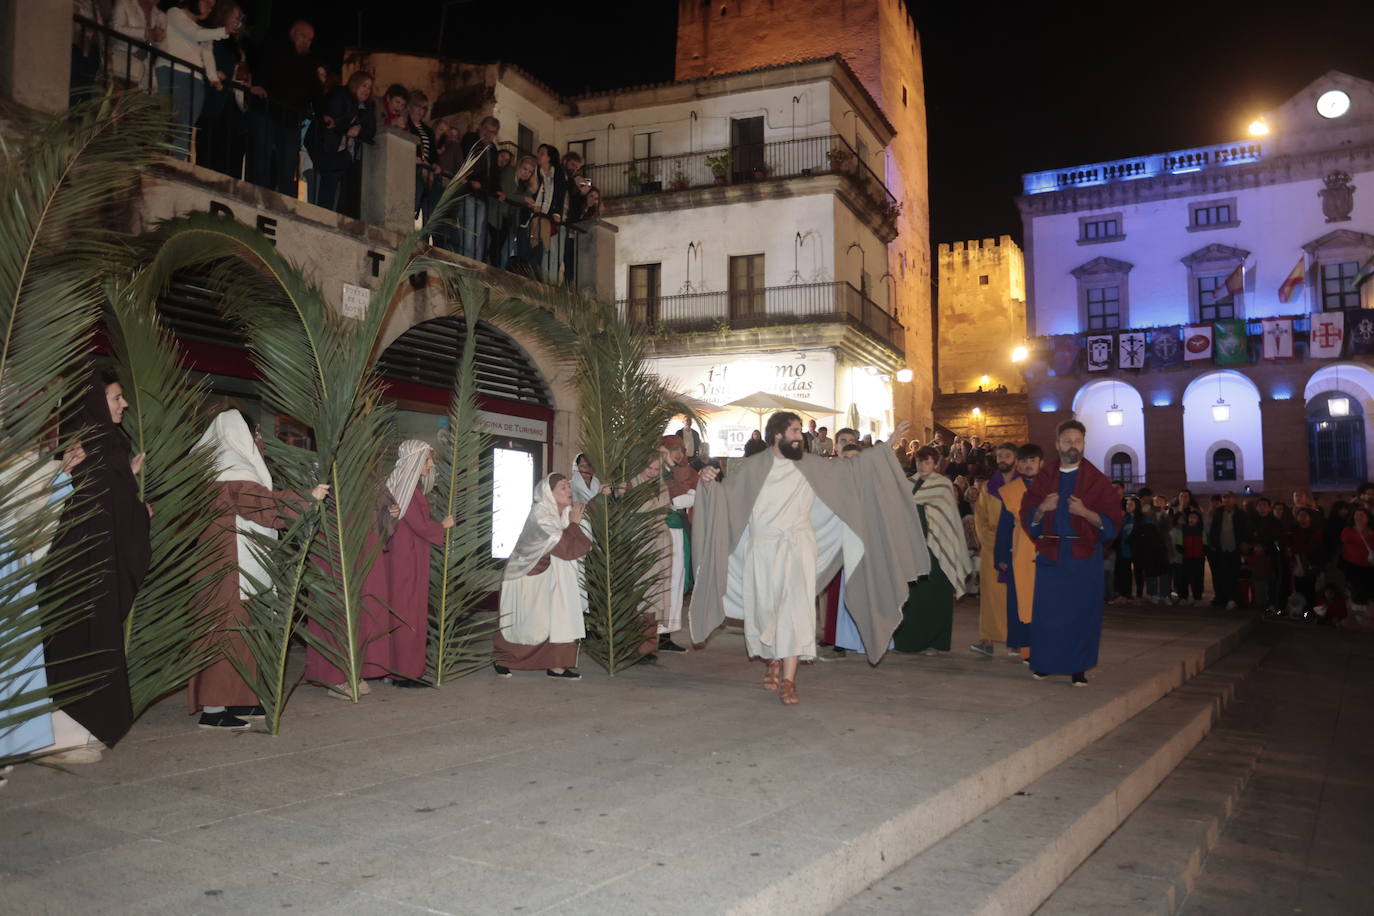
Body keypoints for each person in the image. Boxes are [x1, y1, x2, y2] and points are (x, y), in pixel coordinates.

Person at [693, 413, 929, 705]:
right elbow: (724, 499)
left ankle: (789, 680)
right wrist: (707, 483)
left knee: (796, 610)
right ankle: (773, 662)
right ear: (777, 435)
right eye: (794, 431)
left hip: (799, 548)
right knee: (765, 611)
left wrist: (886, 446)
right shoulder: (752, 467)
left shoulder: (812, 464)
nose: (799, 436)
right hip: (762, 551)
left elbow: (854, 468)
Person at [186, 410, 328, 728]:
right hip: (229, 567)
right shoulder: (229, 470)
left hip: (229, 564)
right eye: (256, 434)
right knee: (227, 634)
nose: (259, 442)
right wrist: (306, 498)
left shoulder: (216, 468)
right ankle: (214, 709)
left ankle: (241, 699)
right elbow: (259, 505)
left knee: (244, 633)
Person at [41, 369, 152, 754]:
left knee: (87, 644)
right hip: (85, 573)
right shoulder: (97, 447)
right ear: (95, 403)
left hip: (88, 571)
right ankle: (71, 733)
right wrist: (141, 514)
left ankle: (79, 731)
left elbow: (106, 501)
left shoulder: (103, 444)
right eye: (115, 398)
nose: (123, 404)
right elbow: (102, 509)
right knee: (86, 644)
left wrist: (128, 479)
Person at [0, 443, 93, 766]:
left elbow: (26, 515)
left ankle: (21, 738)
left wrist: (61, 474)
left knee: (17, 659)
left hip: (11, 567)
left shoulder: (12, 455)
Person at [1018, 420, 1122, 686]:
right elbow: (1027, 513)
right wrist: (1042, 507)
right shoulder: (1045, 478)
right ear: (1057, 444)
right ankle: (1044, 664)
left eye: (1077, 441)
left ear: (1084, 444)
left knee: (1081, 614)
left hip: (1083, 557)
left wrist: (1085, 513)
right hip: (1052, 555)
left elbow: (1112, 522)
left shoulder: (1097, 480)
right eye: (1067, 441)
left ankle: (1078, 668)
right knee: (1047, 614)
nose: (1072, 446)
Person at [494, 474, 590, 678]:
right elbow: (565, 548)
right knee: (524, 622)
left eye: (569, 487)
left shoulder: (562, 514)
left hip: (551, 573)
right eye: (563, 488)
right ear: (549, 493)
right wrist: (573, 524)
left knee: (559, 615)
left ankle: (557, 665)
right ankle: (504, 659)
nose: (569, 491)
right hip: (525, 576)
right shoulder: (541, 516)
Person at [378, 441, 455, 687]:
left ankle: (396, 668)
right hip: (407, 558)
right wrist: (442, 526)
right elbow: (419, 525)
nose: (430, 465)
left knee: (401, 610)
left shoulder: (405, 486)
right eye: (426, 460)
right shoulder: (409, 490)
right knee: (408, 611)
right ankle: (406, 672)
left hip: (406, 555)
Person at [893, 446, 971, 656]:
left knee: (936, 595)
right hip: (912, 547)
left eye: (927, 462)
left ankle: (935, 642)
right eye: (919, 461)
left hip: (937, 548)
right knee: (912, 596)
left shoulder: (943, 485)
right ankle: (908, 640)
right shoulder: (906, 483)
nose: (922, 465)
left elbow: (948, 519)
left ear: (936, 464)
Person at [245, 19, 321, 196]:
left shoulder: (308, 63)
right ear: (293, 33)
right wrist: (257, 85)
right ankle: (257, 195)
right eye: (304, 36)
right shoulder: (274, 49)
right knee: (261, 158)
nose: (306, 42)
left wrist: (324, 114)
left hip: (289, 119)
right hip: (266, 111)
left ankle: (284, 200)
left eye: (310, 40)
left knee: (287, 165)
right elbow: (259, 67)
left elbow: (316, 92)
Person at [156, 0, 227, 160]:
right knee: (164, 122)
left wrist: (213, 77)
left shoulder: (205, 30)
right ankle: (156, 163)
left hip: (195, 80)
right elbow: (194, 34)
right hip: (171, 71)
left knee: (185, 129)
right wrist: (223, 31)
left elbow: (207, 53)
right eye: (207, 1)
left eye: (213, 5)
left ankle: (178, 167)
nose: (210, 7)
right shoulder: (174, 13)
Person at [650, 436, 697, 653]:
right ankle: (653, 635)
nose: (678, 454)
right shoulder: (660, 472)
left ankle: (666, 634)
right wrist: (693, 495)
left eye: (681, 450)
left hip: (678, 533)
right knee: (661, 583)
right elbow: (678, 501)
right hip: (662, 533)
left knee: (675, 583)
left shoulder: (683, 471)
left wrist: (692, 494)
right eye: (674, 449)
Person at [996, 443, 1042, 661]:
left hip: (1045, 551)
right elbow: (1004, 525)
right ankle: (1025, 646)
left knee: (1043, 600)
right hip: (1020, 551)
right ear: (1018, 464)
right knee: (1021, 598)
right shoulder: (1010, 490)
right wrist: (1001, 555)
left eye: (1032, 460)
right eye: (1024, 461)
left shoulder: (1051, 488)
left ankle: (1044, 644)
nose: (1028, 464)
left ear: (1040, 463)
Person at [970, 443, 1015, 657]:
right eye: (1000, 456)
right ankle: (986, 640)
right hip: (992, 548)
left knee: (1015, 594)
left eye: (1007, 455)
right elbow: (981, 519)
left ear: (1015, 458)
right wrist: (994, 542)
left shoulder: (1022, 485)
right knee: (990, 594)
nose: (1003, 459)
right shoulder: (989, 487)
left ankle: (1017, 640)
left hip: (1017, 548)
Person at [195, 1, 250, 177]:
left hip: (231, 106)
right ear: (224, 16)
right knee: (209, 151)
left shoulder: (237, 47)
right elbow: (203, 58)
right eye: (235, 18)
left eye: (240, 19)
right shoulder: (211, 36)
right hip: (213, 100)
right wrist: (215, 73)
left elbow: (237, 74)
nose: (238, 23)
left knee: (229, 154)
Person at [311, 70, 376, 215]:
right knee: (327, 182)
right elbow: (332, 117)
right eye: (364, 85)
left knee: (339, 188)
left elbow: (371, 130)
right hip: (329, 147)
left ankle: (329, 215)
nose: (367, 90)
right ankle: (323, 215)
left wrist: (359, 129)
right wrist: (348, 128)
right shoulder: (340, 94)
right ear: (355, 84)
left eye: (369, 87)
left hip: (347, 154)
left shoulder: (368, 107)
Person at [1207, 491, 1249, 610]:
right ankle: (1224, 598)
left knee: (1234, 574)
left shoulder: (1241, 514)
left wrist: (1244, 542)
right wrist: (1213, 543)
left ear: (1234, 499)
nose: (1227, 500)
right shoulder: (1218, 513)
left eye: (1229, 498)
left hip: (1235, 548)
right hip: (1221, 548)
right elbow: (1214, 530)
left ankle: (1234, 599)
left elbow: (1245, 530)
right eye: (1224, 498)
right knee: (1223, 574)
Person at [407, 92, 442, 223]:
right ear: (410, 106)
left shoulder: (428, 131)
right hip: (414, 168)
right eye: (418, 107)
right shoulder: (406, 125)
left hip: (428, 170)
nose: (421, 111)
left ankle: (430, 229)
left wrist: (435, 164)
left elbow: (433, 153)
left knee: (435, 196)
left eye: (424, 109)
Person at [1340, 506, 1374, 628]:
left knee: (1368, 592)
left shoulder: (1372, 531)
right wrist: (1361, 533)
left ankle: (1366, 618)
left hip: (1369, 567)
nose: (1358, 517)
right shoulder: (1348, 530)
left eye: (1362, 515)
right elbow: (1347, 541)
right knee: (1353, 592)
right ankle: (1353, 618)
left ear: (1367, 518)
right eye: (1356, 515)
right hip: (1352, 566)